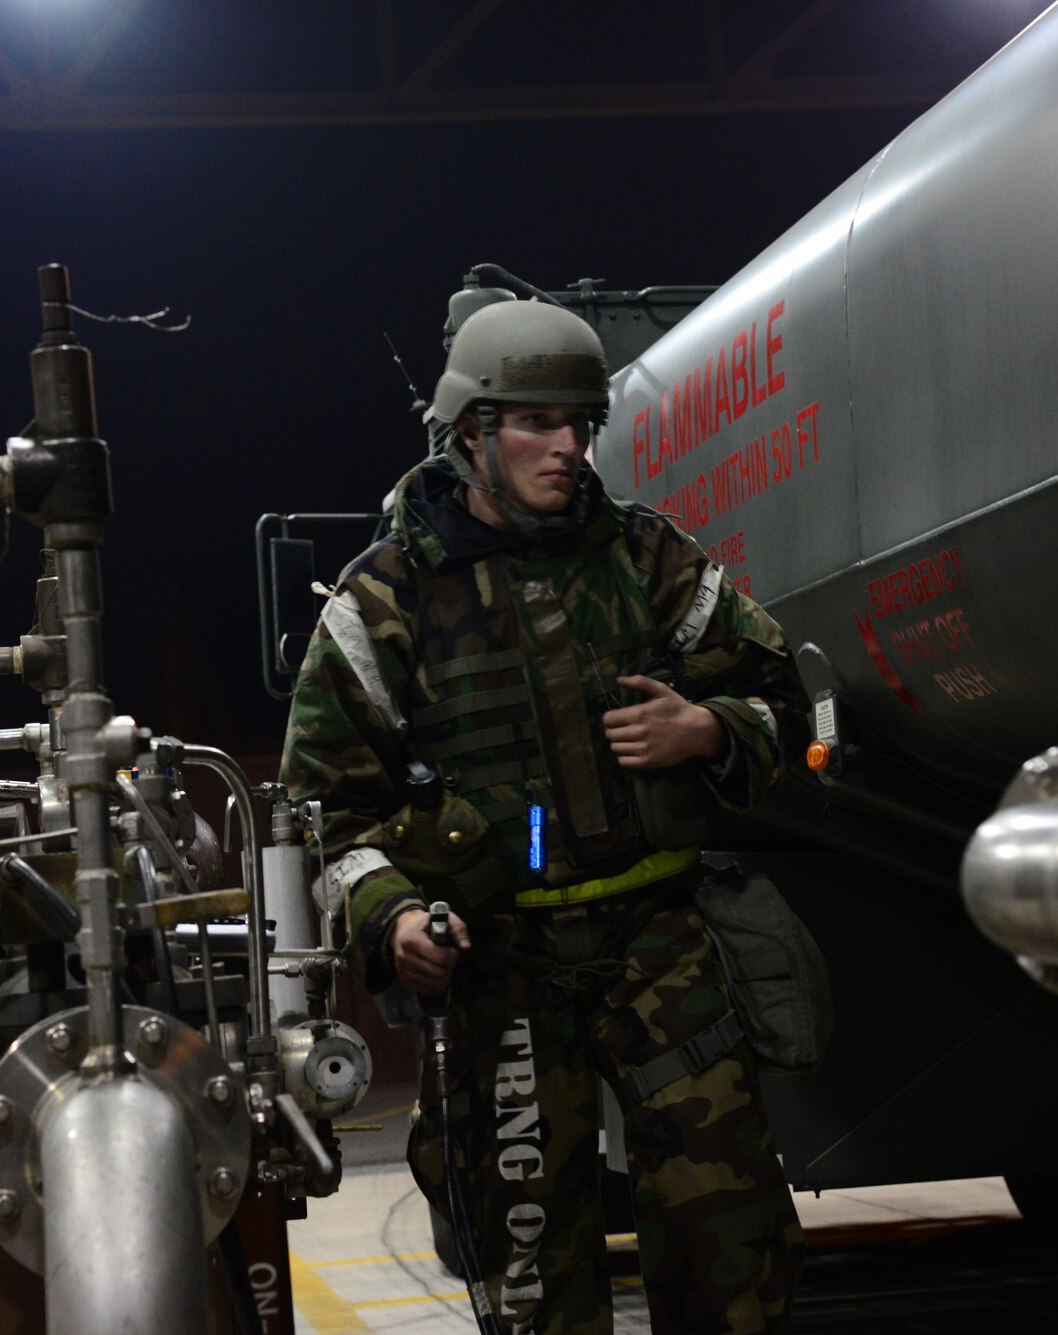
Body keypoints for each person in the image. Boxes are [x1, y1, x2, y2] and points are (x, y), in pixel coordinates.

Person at [281, 297, 804, 1334]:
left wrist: (707, 730)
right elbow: (324, 818)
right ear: (469, 431)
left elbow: (793, 699)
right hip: (501, 972)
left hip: (659, 951)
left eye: (581, 424)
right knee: (531, 1277)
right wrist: (391, 918)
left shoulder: (648, 563)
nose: (567, 448)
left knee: (732, 1254)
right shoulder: (381, 605)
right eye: (535, 423)